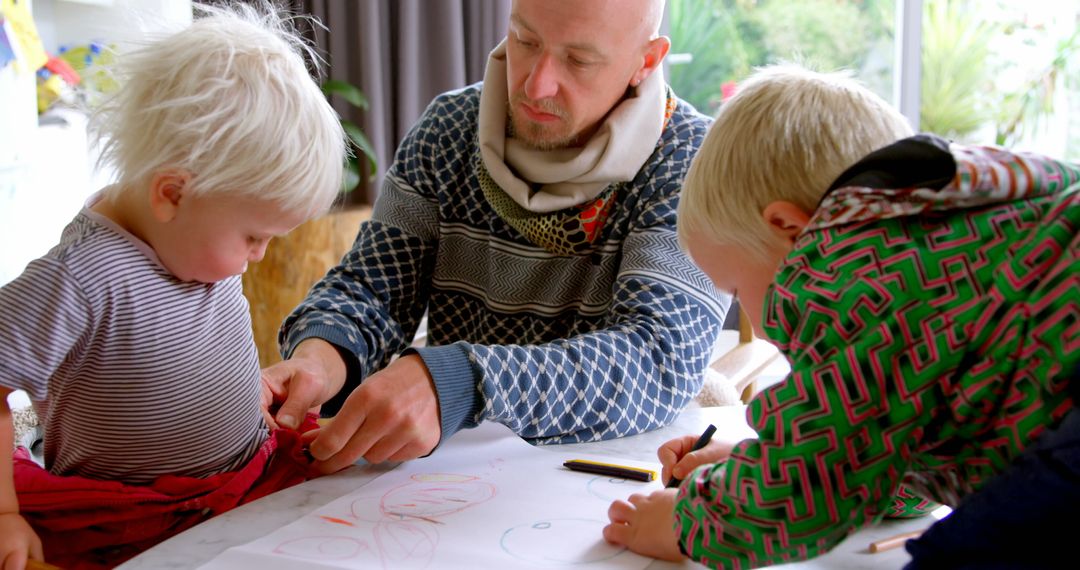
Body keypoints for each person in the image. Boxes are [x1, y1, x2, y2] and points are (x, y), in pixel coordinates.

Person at [601, 63, 1079, 568]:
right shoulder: (959, 216)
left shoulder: (850, 264)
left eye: (740, 289)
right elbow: (886, 453)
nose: (759, 328)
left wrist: (686, 523)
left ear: (790, 228)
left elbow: (799, 497)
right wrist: (761, 466)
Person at [261, 0, 730, 474]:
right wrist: (323, 358)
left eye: (579, 60)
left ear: (645, 61)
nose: (535, 83)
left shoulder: (691, 162)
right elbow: (372, 288)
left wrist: (466, 381)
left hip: (611, 476)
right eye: (525, 40)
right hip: (452, 479)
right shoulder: (448, 129)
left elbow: (656, 361)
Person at [0, 3, 345, 568]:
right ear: (172, 195)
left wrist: (235, 389)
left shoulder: (194, 239)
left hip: (245, 475)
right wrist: (4, 516)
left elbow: (187, 340)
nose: (257, 257)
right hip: (128, 516)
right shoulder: (83, 275)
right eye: (253, 237)